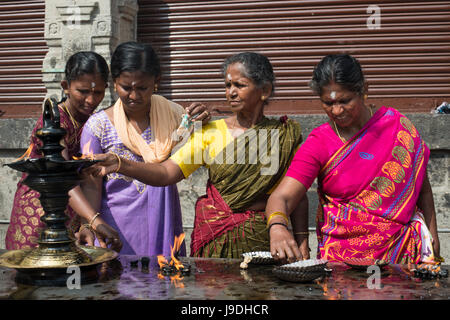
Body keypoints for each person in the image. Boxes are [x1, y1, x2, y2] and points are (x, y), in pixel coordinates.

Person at [84, 51, 309, 259]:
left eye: (239, 85)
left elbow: (297, 193)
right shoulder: (209, 132)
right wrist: (121, 163)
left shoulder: (283, 135)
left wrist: (302, 238)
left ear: (265, 91)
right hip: (216, 240)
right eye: (227, 85)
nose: (231, 92)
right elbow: (165, 173)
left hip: (269, 240)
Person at [265, 54, 442, 264]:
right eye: (328, 103)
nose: (337, 111)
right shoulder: (319, 143)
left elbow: (422, 189)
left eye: (344, 101)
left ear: (364, 90)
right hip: (342, 266)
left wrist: (433, 236)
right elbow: (282, 197)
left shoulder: (398, 128)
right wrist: (277, 226)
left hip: (400, 258)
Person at [79, 41, 211, 257]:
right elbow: (91, 186)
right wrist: (91, 224)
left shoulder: (174, 116)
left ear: (156, 82)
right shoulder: (98, 127)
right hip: (117, 228)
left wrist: (202, 121)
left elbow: (196, 145)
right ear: (114, 83)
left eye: (142, 88)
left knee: (163, 286)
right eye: (126, 87)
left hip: (163, 221)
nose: (133, 96)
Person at [5, 51, 122, 252]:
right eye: (83, 91)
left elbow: (91, 177)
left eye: (98, 92)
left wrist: (87, 222)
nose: (91, 100)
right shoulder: (53, 121)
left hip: (76, 210)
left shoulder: (94, 122)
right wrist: (95, 221)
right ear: (65, 87)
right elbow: (61, 177)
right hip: (40, 210)